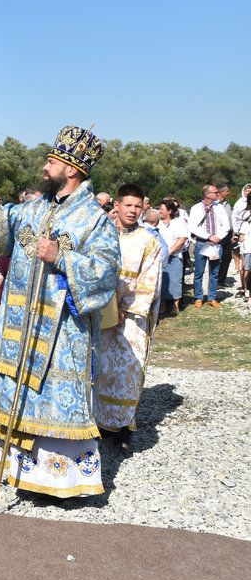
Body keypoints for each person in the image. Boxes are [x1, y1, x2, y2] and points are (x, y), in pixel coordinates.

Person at [0, 125, 120, 499]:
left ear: (71, 169)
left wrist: (62, 257)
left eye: (51, 161)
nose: (45, 166)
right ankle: (25, 473)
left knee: (53, 399)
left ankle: (62, 482)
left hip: (63, 333)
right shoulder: (32, 208)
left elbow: (107, 271)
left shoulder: (94, 220)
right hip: (21, 326)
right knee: (22, 394)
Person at [94, 184, 163, 457]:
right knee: (100, 368)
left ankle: (122, 429)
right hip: (100, 315)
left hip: (131, 319)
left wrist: (124, 308)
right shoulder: (103, 236)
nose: (133, 211)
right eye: (128, 205)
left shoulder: (149, 241)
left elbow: (149, 282)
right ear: (118, 206)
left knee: (126, 372)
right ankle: (98, 423)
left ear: (143, 208)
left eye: (138, 206)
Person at [189, 184, 230, 308]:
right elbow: (193, 227)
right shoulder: (196, 208)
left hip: (216, 243)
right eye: (215, 192)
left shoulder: (220, 208)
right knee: (199, 272)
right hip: (202, 243)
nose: (218, 194)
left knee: (214, 271)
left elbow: (226, 225)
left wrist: (218, 237)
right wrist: (208, 236)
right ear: (207, 194)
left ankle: (212, 297)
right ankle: (198, 297)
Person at [156, 200, 188, 316]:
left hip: (174, 256)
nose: (160, 211)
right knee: (161, 282)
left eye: (162, 209)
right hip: (159, 257)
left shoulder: (178, 223)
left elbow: (182, 238)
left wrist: (170, 250)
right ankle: (162, 306)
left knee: (175, 281)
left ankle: (175, 306)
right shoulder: (157, 223)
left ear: (169, 211)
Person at [216, 185, 235, 286]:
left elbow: (230, 220)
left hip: (228, 234)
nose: (229, 193)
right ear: (221, 192)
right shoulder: (214, 204)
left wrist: (232, 233)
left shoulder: (227, 204)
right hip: (218, 234)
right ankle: (214, 281)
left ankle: (222, 280)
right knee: (216, 258)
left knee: (227, 257)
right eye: (227, 191)